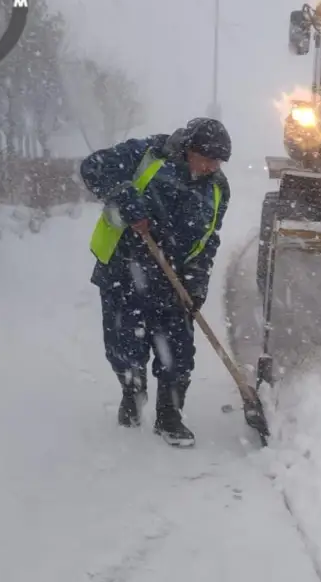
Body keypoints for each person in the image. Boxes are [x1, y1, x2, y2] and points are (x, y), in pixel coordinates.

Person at [81, 117, 232, 447]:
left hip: (173, 279)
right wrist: (125, 196)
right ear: (188, 150)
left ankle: (169, 415)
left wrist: (197, 282)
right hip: (124, 271)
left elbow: (209, 240)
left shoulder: (218, 188)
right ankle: (132, 394)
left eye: (218, 162)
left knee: (179, 352)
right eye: (207, 159)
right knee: (125, 345)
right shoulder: (146, 155)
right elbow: (93, 167)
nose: (211, 167)